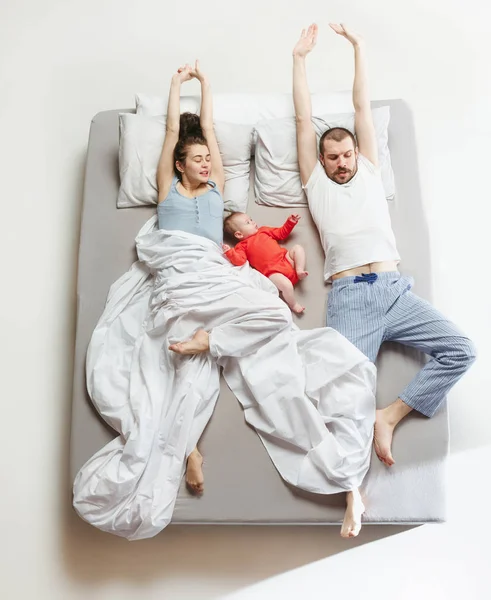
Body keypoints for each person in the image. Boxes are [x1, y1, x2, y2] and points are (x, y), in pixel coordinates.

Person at [154, 60, 376, 538]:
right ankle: (188, 444)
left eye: (208, 158)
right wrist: (175, 86)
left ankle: (346, 476)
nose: (207, 163)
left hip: (214, 272)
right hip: (177, 268)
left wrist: (208, 83)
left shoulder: (218, 189)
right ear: (178, 164)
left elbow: (206, 127)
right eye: (196, 158)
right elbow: (175, 128)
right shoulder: (166, 188)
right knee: (172, 365)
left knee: (277, 326)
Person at [292, 23, 476, 467]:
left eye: (347, 154)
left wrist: (358, 48)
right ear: (322, 160)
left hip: (395, 291)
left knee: (461, 350)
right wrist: (299, 59)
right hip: (351, 298)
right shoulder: (316, 183)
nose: (341, 163)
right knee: (339, 398)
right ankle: (350, 481)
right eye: (333, 157)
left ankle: (389, 417)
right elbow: (303, 118)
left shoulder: (372, 170)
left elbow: (362, 107)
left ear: (358, 153)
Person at [222, 212, 308, 313]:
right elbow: (240, 261)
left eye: (251, 219)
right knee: (286, 285)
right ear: (239, 234)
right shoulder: (242, 246)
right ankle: (293, 304)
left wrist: (290, 222)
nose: (253, 222)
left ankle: (299, 270)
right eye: (248, 222)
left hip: (285, 259)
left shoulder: (263, 230)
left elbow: (281, 233)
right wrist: (230, 252)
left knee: (298, 248)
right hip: (273, 272)